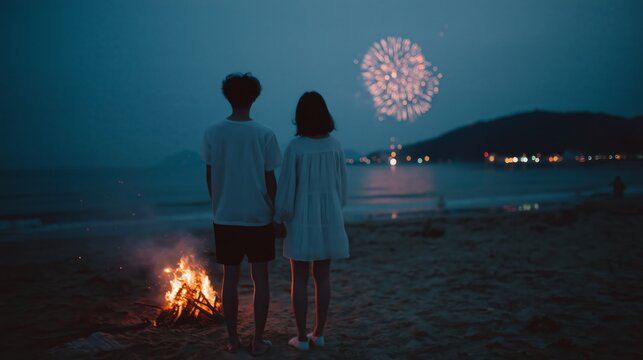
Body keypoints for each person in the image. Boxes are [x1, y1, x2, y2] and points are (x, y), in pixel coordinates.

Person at [201, 73, 281, 355]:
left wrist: (218, 204)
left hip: (225, 217)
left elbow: (210, 175)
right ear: (254, 97)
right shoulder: (265, 134)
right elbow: (270, 180)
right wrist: (277, 212)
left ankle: (233, 341)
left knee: (229, 279)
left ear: (227, 96)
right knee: (261, 279)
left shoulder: (213, 132)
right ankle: (258, 340)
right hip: (258, 217)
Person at [274, 91, 349, 351]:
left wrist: (280, 216)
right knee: (323, 276)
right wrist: (336, 208)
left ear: (300, 117)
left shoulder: (296, 147)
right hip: (328, 214)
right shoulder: (335, 145)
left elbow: (286, 188)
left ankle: (302, 338)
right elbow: (341, 185)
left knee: (300, 277)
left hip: (301, 216)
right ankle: (320, 333)